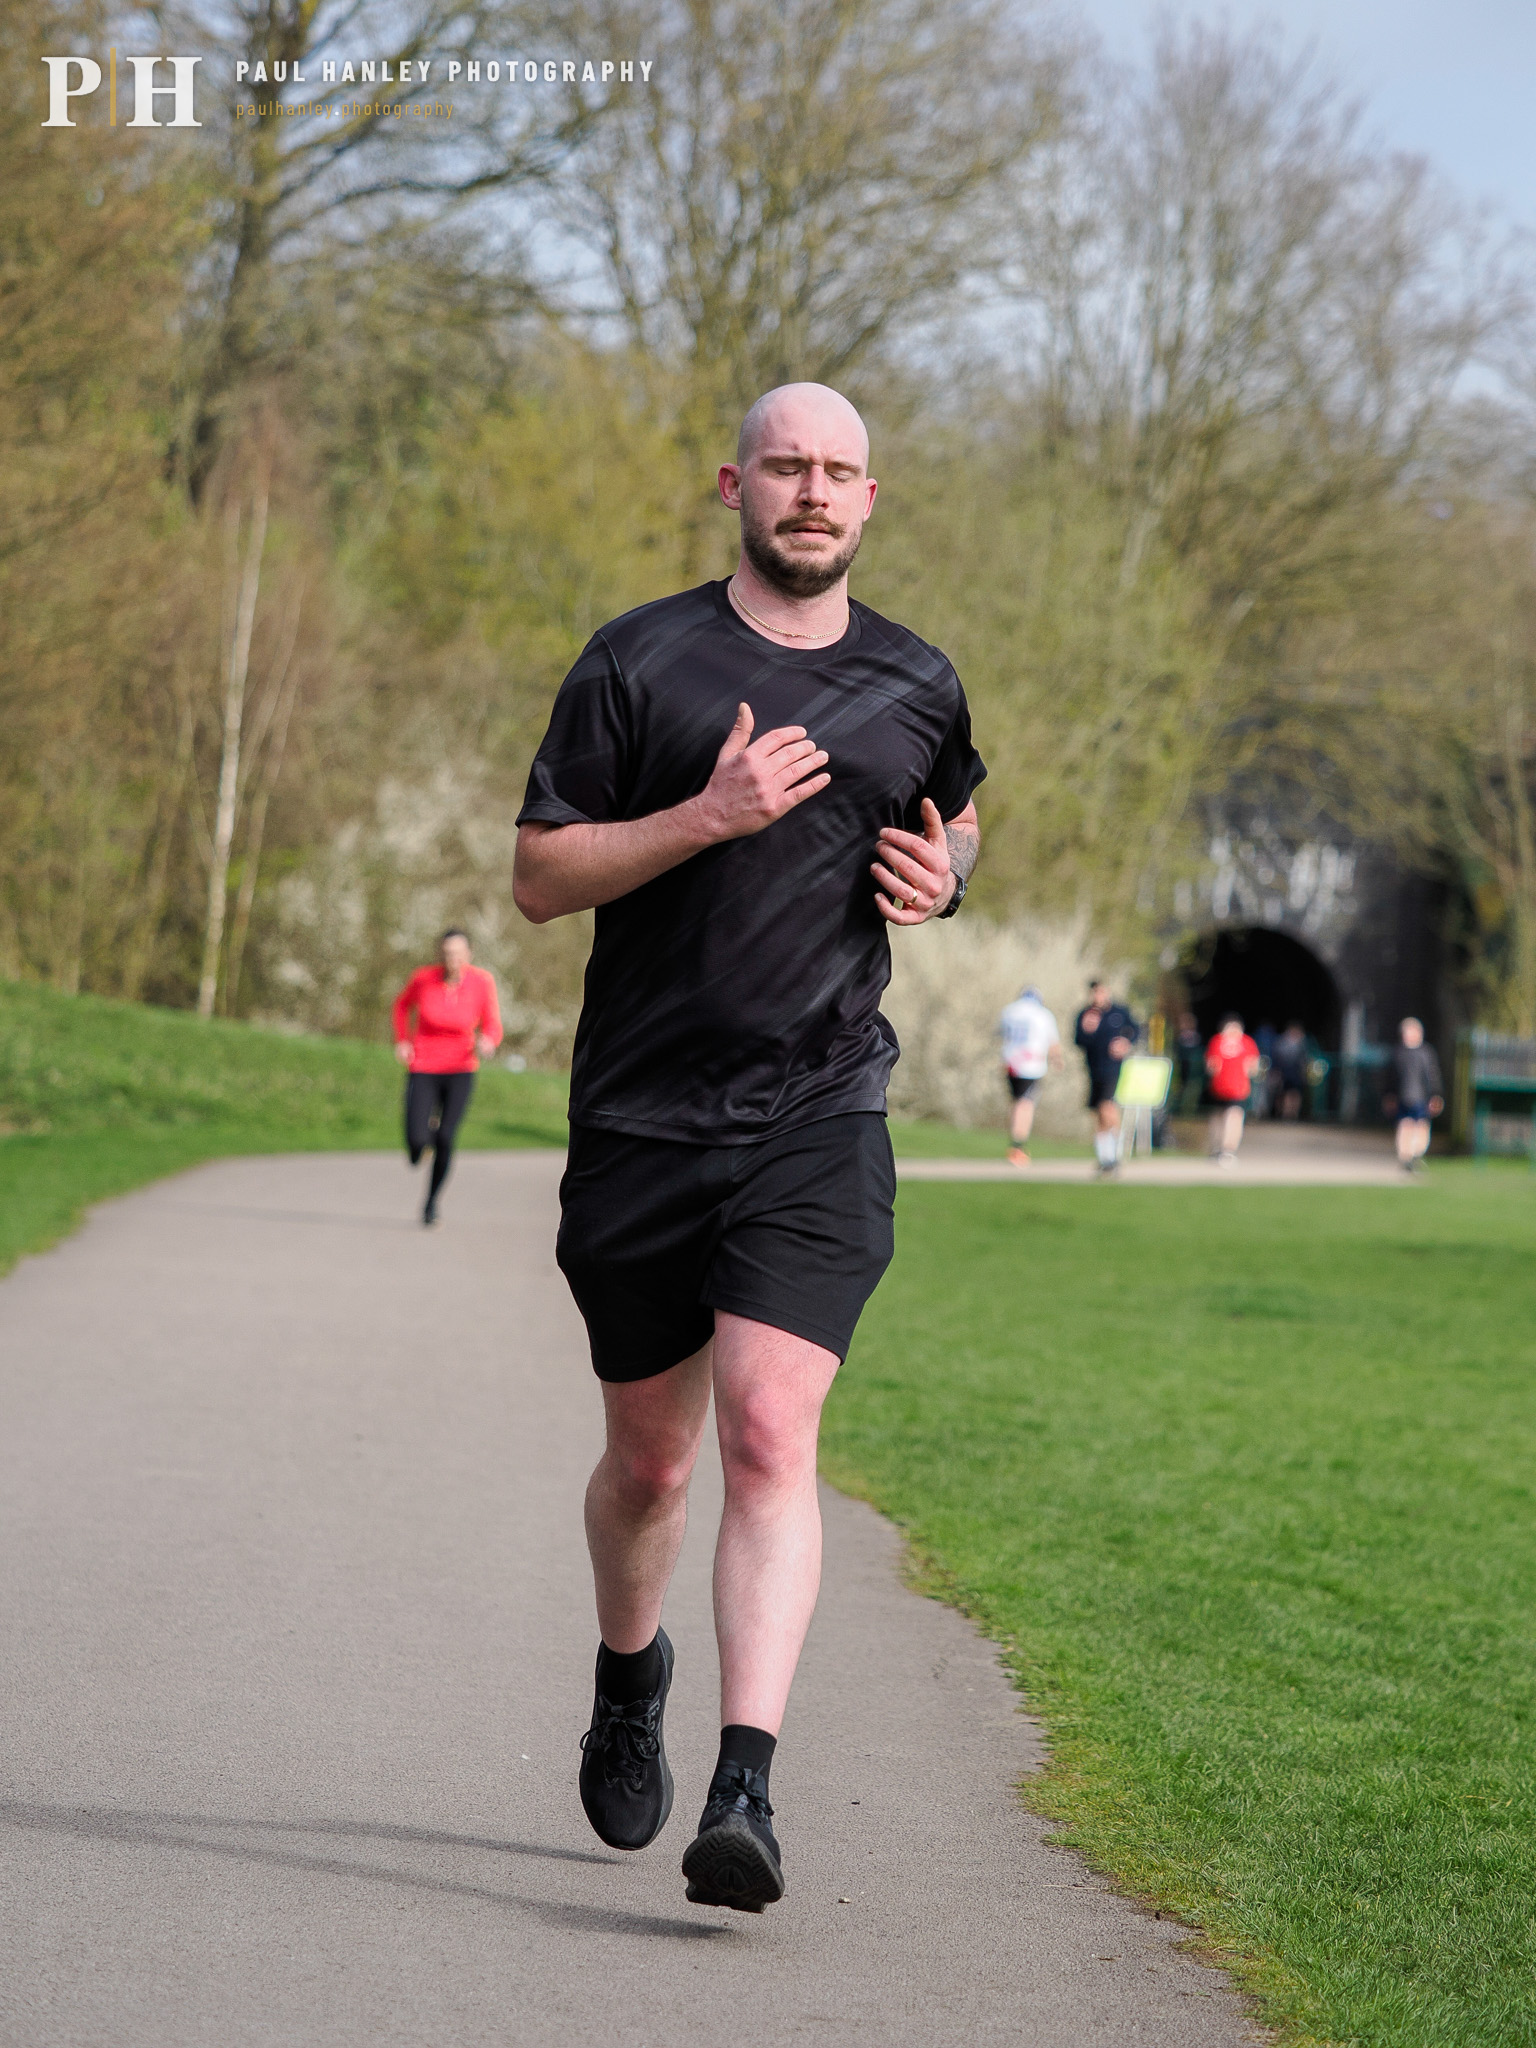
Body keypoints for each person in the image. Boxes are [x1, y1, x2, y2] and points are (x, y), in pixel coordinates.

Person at [512, 383, 984, 1913]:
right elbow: (535, 876)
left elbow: (959, 814)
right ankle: (629, 1677)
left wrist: (943, 874)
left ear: (872, 499)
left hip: (818, 1109)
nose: (815, 490)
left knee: (774, 1434)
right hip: (642, 1122)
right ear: (735, 482)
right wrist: (705, 816)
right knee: (653, 1468)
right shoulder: (638, 661)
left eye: (842, 470)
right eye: (789, 463)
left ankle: (747, 1790)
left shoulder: (917, 678)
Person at [391, 929, 502, 1226]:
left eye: (457, 953)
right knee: (417, 1138)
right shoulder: (423, 978)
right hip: (424, 1063)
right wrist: (402, 1040)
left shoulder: (481, 982)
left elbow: (492, 1022)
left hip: (461, 1067)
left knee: (446, 1136)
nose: (452, 959)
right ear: (440, 954)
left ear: (469, 954)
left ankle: (430, 1202)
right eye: (447, 953)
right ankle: (418, 1149)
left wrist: (489, 1040)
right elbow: (401, 1007)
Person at [1073, 979, 1137, 1176]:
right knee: (1099, 1114)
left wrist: (1125, 1042)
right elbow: (1078, 1040)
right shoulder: (1086, 1014)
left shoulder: (1119, 1012)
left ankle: (1116, 1154)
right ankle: (1104, 1157)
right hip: (1094, 1069)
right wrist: (1087, 1031)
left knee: (1107, 1107)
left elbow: (1136, 1030)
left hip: (1113, 1068)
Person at [999, 984, 1063, 1166]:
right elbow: (1052, 1041)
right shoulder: (1042, 1014)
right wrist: (1057, 1059)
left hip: (1011, 1063)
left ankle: (1016, 1143)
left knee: (1016, 1103)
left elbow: (1003, 1036)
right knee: (1025, 1105)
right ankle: (1017, 1146)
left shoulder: (1009, 1011)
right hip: (1031, 1064)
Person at [1386, 1016, 1444, 1172]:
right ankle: (1405, 1157)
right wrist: (1389, 1096)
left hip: (1422, 1097)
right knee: (1405, 1125)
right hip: (1403, 1097)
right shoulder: (1397, 1053)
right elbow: (1391, 1077)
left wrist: (1435, 1095)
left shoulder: (1426, 1053)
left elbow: (1432, 1076)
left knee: (1421, 1126)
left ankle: (1416, 1155)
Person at [1205, 1013, 1261, 1164]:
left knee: (1224, 1116)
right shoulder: (1246, 1042)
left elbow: (1211, 1066)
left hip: (1223, 1086)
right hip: (1236, 1087)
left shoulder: (1217, 1041)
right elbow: (1253, 1067)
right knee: (1232, 1117)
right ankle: (1227, 1149)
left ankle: (1220, 1148)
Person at [1272, 1021, 1309, 1122]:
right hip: (1285, 1073)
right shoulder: (1281, 1044)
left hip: (1296, 1074)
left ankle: (1292, 1114)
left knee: (1295, 1094)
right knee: (1285, 1094)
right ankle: (1286, 1114)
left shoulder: (1302, 1045)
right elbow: (1277, 1060)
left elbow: (1304, 1061)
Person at [1172, 1010, 1206, 1118]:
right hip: (1180, 1072)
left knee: (1191, 1091)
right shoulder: (1176, 1040)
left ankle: (1188, 1111)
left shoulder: (1199, 1039)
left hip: (1193, 1073)